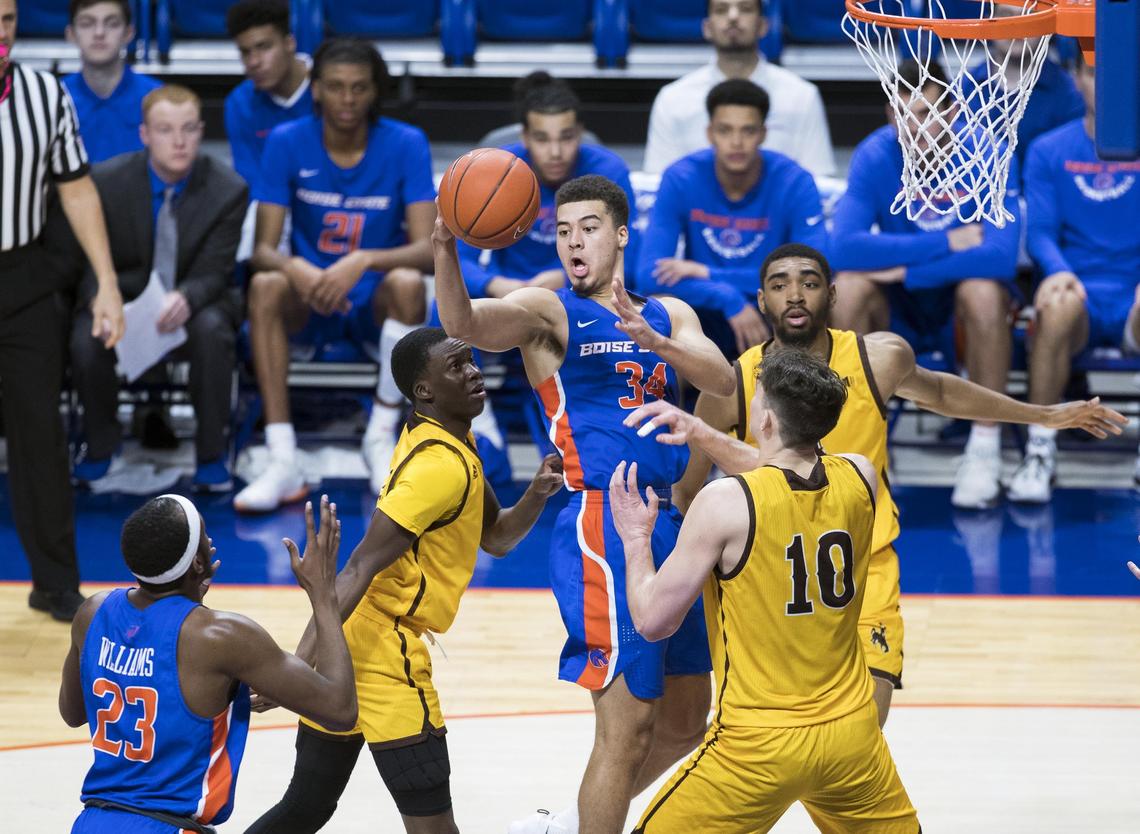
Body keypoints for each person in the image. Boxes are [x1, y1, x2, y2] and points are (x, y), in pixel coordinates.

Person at [662, 243, 1124, 728]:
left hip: (865, 568)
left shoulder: (876, 359)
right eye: (779, 285)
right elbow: (687, 489)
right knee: (763, 737)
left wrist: (1044, 414)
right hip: (768, 577)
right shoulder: (735, 383)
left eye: (809, 283)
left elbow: (944, 393)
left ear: (833, 295)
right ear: (761, 300)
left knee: (860, 733)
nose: (794, 295)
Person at [433, 174, 735, 834]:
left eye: (589, 227)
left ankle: (567, 823)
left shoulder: (670, 315)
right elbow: (466, 324)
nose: (575, 241)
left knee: (686, 721)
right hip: (600, 521)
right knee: (624, 731)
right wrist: (445, 251)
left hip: (671, 523)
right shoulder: (550, 312)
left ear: (621, 235)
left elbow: (725, 381)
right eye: (564, 230)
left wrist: (660, 345)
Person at [244, 327, 565, 834]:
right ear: (425, 391)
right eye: (458, 366)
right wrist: (292, 669)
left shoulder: (448, 436)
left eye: (472, 361)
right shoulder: (438, 468)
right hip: (385, 651)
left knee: (306, 807)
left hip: (351, 642)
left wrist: (537, 494)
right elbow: (355, 570)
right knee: (433, 828)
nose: (475, 371)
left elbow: (497, 539)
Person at [611, 348, 920, 832]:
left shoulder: (723, 503)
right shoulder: (861, 476)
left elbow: (652, 620)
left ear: (768, 420)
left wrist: (634, 541)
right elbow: (785, 469)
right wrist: (700, 433)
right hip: (852, 739)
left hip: (757, 747)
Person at [60, 493, 357, 833]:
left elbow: (73, 713)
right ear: (197, 563)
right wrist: (323, 594)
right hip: (168, 826)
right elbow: (340, 708)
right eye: (203, 533)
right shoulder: (221, 637)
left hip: (92, 822)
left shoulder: (92, 612)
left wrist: (185, 607)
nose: (211, 540)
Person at [234, 37, 435, 513]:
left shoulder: (406, 143)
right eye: (337, 87)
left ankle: (381, 438)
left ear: (374, 91)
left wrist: (363, 260)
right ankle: (282, 457)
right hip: (309, 300)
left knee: (408, 282)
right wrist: (294, 267)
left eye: (359, 88)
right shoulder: (287, 141)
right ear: (317, 90)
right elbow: (262, 250)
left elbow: (429, 250)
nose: (348, 99)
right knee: (265, 284)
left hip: (371, 300)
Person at [829, 59, 1022, 510]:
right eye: (903, 114)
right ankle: (857, 445)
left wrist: (907, 270)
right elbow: (845, 250)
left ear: (952, 113)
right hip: (898, 310)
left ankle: (984, 449)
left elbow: (1000, 256)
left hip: (956, 307)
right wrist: (947, 241)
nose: (914, 127)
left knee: (983, 290)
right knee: (851, 287)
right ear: (889, 114)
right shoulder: (876, 154)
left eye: (926, 114)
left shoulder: (987, 151)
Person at [0, 0, 125, 622]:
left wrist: (105, 281)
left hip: (20, 279)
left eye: (6, 20)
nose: (0, 33)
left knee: (40, 439)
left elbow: (75, 188)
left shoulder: (44, 95)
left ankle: (55, 584)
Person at [69, 84, 248, 492]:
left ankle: (210, 455)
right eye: (165, 130)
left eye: (188, 129)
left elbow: (217, 269)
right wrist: (102, 298)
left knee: (212, 330)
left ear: (202, 131)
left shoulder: (228, 189)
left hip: (195, 297)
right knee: (86, 337)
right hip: (124, 295)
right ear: (144, 134)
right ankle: (100, 449)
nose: (179, 141)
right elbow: (89, 261)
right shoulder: (105, 182)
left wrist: (186, 298)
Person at [1009, 54, 1140, 502]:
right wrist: (1061, 273)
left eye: (1117, 74)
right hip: (1079, 292)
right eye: (1093, 73)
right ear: (1076, 78)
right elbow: (1042, 233)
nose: (1104, 85)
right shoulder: (1049, 149)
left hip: (1133, 296)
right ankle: (1040, 450)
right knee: (1055, 303)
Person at [637, 79, 825, 357]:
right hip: (703, 311)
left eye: (747, 131)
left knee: (829, 294)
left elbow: (817, 270)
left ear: (762, 133)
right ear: (710, 133)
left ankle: (825, 393)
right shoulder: (681, 177)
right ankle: (665, 398)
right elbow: (647, 275)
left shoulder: (794, 181)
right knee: (659, 307)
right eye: (725, 130)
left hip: (776, 311)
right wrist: (726, 296)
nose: (736, 142)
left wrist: (708, 273)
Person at [456, 71, 638, 302]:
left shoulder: (609, 172)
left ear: (580, 134)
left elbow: (630, 257)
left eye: (566, 137)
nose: (555, 153)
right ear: (525, 136)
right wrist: (491, 283)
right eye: (542, 139)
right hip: (505, 291)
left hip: (581, 292)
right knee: (441, 307)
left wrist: (567, 276)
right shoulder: (497, 170)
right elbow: (457, 256)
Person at [643, 0, 834, 177]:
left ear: (763, 25)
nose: (733, 17)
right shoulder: (672, 99)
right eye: (721, 10)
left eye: (745, 9)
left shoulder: (802, 96)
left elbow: (819, 182)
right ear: (707, 27)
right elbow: (657, 183)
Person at [963, 2, 1084, 168]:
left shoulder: (1072, 94)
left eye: (1028, 15)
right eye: (1007, 15)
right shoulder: (963, 90)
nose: (1017, 24)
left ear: (1047, 24)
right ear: (989, 21)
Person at [224, 0, 312, 195]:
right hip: (273, 212)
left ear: (289, 43)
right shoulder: (239, 103)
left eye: (264, 47)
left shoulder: (330, 89)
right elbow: (252, 182)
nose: (254, 62)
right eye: (245, 52)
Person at [63, 0, 160, 164]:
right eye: (87, 24)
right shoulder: (53, 98)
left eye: (112, 24)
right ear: (71, 34)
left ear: (129, 33)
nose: (99, 33)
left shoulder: (157, 99)